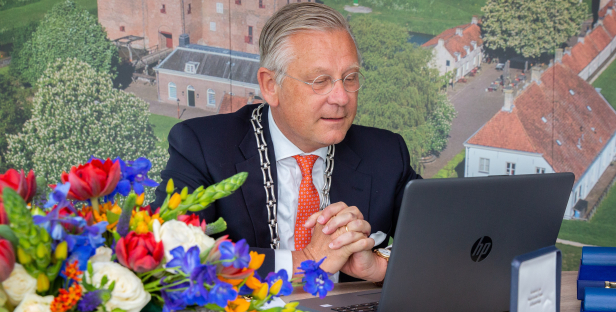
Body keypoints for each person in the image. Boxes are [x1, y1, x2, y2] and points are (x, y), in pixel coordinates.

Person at [153, 3, 420, 284]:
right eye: (320, 81)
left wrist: (380, 264)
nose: (341, 98)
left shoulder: (387, 154)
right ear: (271, 85)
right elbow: (167, 252)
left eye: (350, 78)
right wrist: (305, 260)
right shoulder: (202, 147)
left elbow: (446, 239)